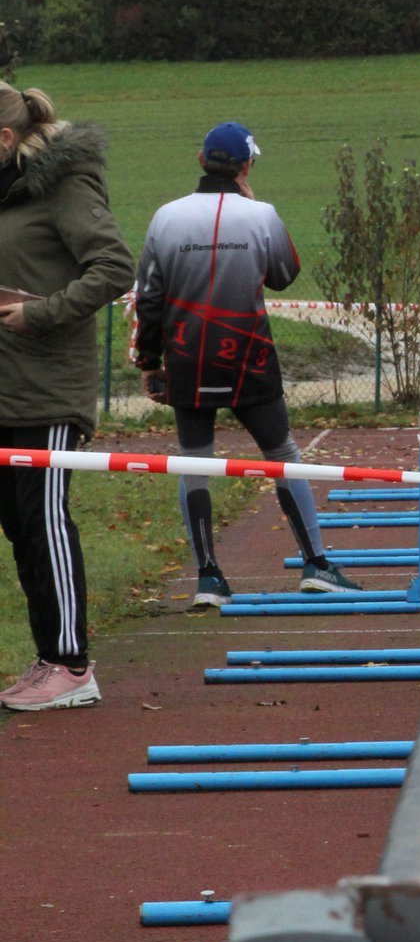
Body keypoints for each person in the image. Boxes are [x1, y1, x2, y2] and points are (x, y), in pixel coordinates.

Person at [134, 121, 359, 605]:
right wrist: (255, 210)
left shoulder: (165, 217)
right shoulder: (262, 215)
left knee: (194, 464)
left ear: (201, 160)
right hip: (248, 358)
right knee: (283, 456)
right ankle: (317, 564)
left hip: (188, 360)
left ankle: (208, 578)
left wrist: (148, 361)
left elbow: (148, 298)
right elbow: (284, 275)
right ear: (246, 166)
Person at [0, 84, 135, 711]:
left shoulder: (64, 185)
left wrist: (41, 313)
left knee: (45, 519)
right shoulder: (6, 193)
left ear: (5, 138)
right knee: (20, 526)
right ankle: (48, 655)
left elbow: (114, 267)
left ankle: (73, 665)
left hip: (49, 390)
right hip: (5, 388)